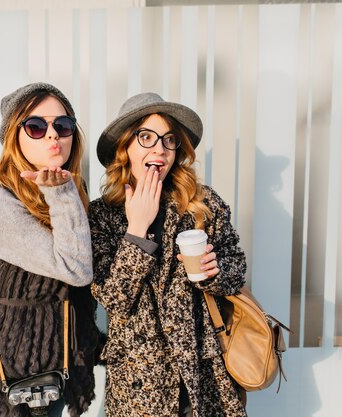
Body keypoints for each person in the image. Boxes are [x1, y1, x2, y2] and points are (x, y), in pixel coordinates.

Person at [89, 92, 248, 417]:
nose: (159, 149)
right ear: (125, 147)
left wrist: (214, 272)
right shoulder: (102, 216)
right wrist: (137, 229)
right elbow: (113, 298)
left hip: (203, 371)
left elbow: (236, 270)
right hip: (139, 378)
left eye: (169, 139)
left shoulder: (202, 204)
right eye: (146, 137)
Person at [0, 82, 101, 417]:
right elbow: (76, 269)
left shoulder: (66, 189)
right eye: (36, 127)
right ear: (14, 137)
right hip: (15, 366)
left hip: (59, 360)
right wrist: (63, 194)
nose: (53, 135)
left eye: (62, 125)